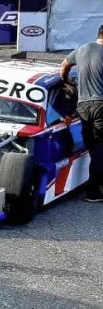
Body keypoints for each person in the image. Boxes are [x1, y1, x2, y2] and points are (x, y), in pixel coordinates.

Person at [61, 24, 103, 202]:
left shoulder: (82, 49)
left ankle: (95, 184)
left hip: (83, 106)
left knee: (93, 148)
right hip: (101, 105)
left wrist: (67, 81)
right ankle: (94, 192)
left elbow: (64, 65)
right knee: (100, 149)